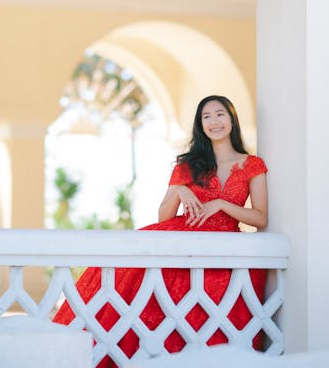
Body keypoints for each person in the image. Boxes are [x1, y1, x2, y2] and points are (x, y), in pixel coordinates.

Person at [53, 95, 268, 367]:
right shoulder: (188, 165)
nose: (214, 121)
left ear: (232, 119)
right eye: (207, 116)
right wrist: (180, 191)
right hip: (180, 242)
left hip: (224, 250)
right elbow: (164, 216)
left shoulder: (253, 165)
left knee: (210, 322)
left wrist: (222, 205)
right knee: (151, 309)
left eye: (220, 114)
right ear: (200, 125)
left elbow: (260, 218)